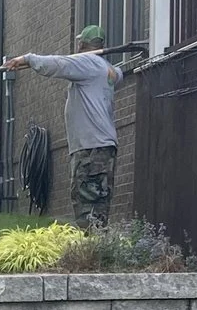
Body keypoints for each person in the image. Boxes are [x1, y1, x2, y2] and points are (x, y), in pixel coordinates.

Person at [7, 26, 123, 222]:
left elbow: (57, 64)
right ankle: (100, 248)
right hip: (103, 146)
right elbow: (119, 74)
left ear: (81, 44)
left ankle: (91, 251)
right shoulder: (111, 71)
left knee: (88, 210)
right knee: (99, 207)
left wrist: (27, 59)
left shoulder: (87, 63)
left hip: (90, 149)